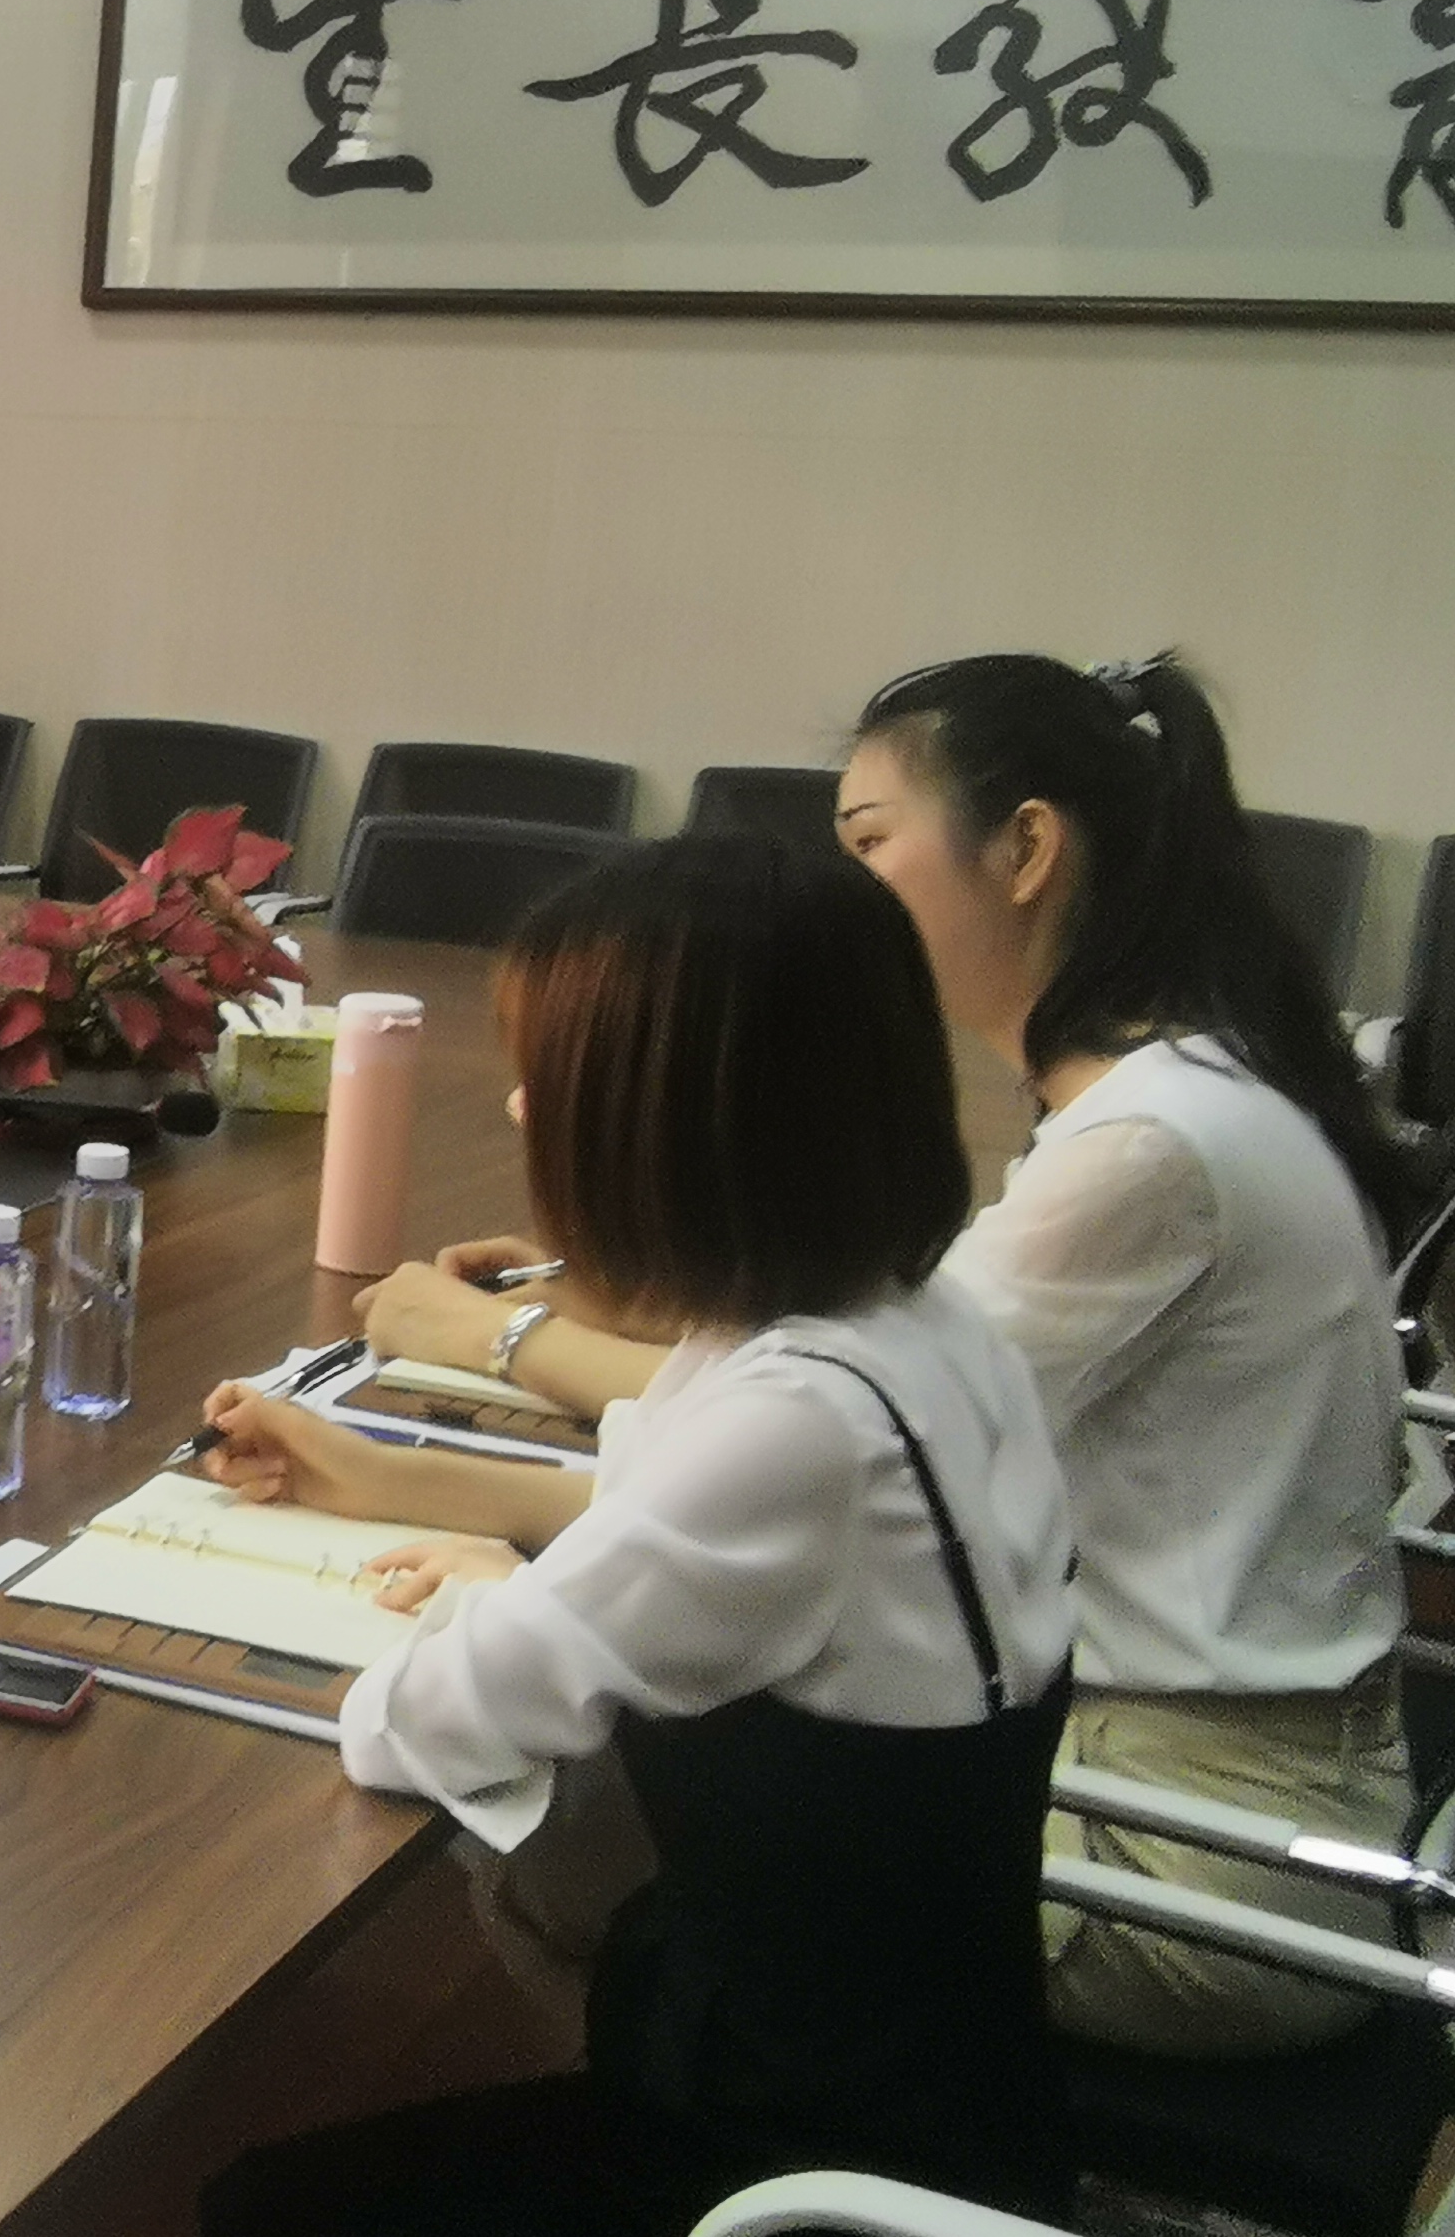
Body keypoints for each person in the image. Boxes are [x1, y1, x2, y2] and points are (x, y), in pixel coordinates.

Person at [88, 838, 1076, 2237]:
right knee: (259, 2212)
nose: (525, 1105)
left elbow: (416, 1721)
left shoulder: (797, 1423)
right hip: (944, 2131)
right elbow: (656, 1495)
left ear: (679, 1121)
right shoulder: (898, 1329)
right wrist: (399, 1483)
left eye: (559, 1075)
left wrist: (474, 1601)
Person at [344, 654, 1421, 2054]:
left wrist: (501, 1344)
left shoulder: (1142, 1150)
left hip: (1189, 1849)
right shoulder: (1167, 1091)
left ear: (1025, 849)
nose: (847, 894)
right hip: (1197, 1758)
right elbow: (798, 1414)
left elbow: (806, 1445)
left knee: (586, 1836)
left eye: (869, 845)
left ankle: (723, 2172)